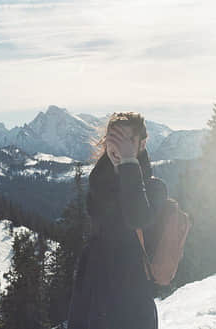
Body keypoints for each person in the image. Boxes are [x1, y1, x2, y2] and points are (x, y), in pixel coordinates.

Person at [67, 112, 168, 329]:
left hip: (130, 292)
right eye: (114, 138)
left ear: (142, 144)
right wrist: (116, 168)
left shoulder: (154, 188)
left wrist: (129, 163)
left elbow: (137, 217)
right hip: (94, 287)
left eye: (128, 140)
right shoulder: (100, 182)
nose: (120, 146)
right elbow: (101, 215)